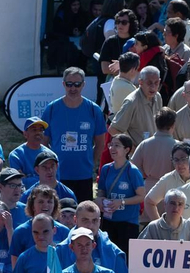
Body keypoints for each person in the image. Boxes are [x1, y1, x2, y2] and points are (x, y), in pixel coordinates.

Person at [39, 67, 107, 202]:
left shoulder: (94, 110)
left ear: (83, 85)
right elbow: (43, 143)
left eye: (77, 84)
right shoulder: (52, 109)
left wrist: (90, 162)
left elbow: (100, 143)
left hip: (84, 175)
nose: (73, 88)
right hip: (58, 175)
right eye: (69, 84)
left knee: (82, 215)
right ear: (63, 84)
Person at [97, 133, 147, 249]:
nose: (112, 148)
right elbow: (101, 192)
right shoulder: (106, 169)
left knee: (125, 259)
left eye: (117, 145)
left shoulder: (132, 171)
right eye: (111, 145)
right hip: (108, 221)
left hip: (128, 223)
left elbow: (141, 196)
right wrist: (100, 200)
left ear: (126, 150)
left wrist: (121, 202)